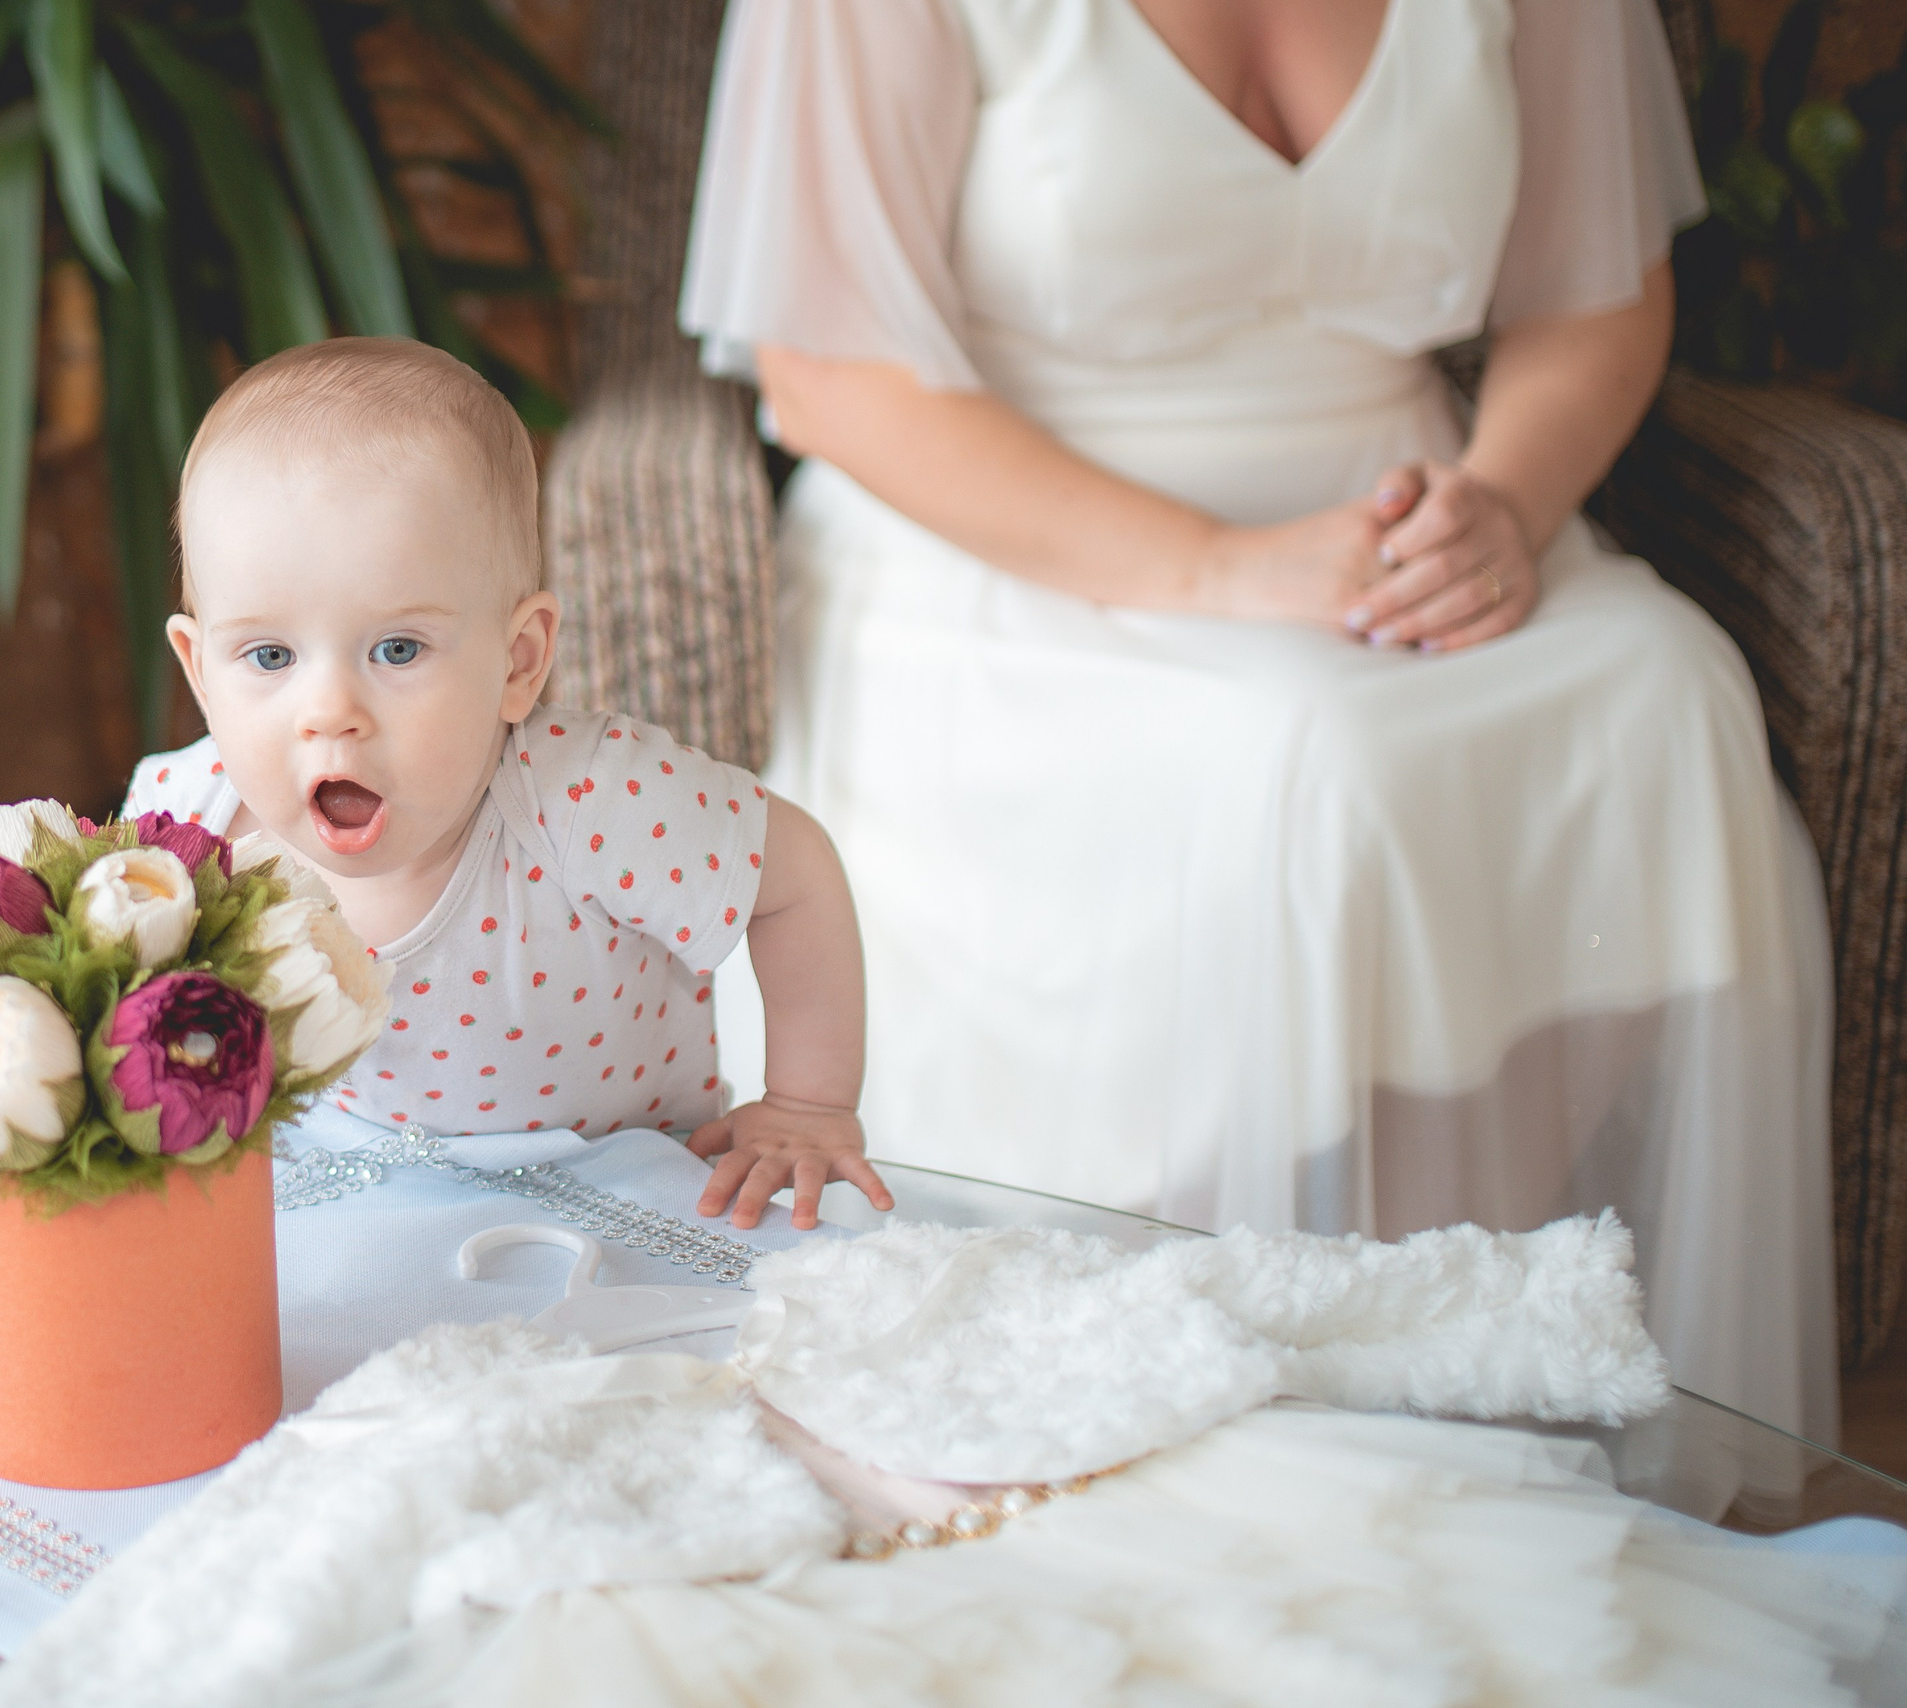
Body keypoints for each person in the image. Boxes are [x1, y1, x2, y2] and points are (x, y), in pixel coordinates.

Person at [681, 0, 1836, 1443]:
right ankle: (1273, 1408)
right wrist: (1224, 570)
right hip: (1006, 542)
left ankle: (1550, 1379)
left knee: (1666, 696)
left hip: (1399, 505)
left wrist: (1509, 506)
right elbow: (829, 374)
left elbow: (1595, 288)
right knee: (1315, 763)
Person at [123, 336, 891, 1231]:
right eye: (269, 655)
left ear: (519, 660)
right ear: (200, 669)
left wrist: (807, 1102)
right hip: (338, 1202)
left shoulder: (588, 805)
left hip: (614, 1199)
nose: (328, 710)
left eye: (397, 649)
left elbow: (792, 876)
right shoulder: (187, 830)